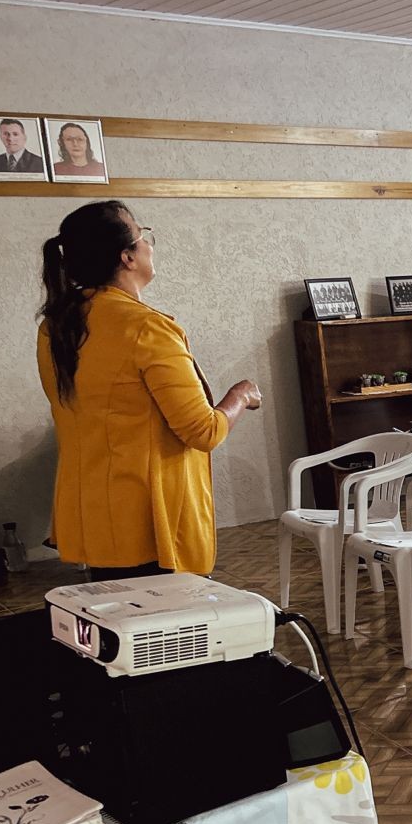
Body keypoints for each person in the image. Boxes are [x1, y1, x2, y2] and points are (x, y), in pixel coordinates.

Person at [36, 201, 262, 579]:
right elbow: (203, 431)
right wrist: (241, 395)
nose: (149, 246)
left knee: (120, 613)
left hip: (94, 511)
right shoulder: (146, 328)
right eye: (143, 236)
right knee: (168, 617)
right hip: (150, 519)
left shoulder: (55, 327)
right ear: (127, 257)